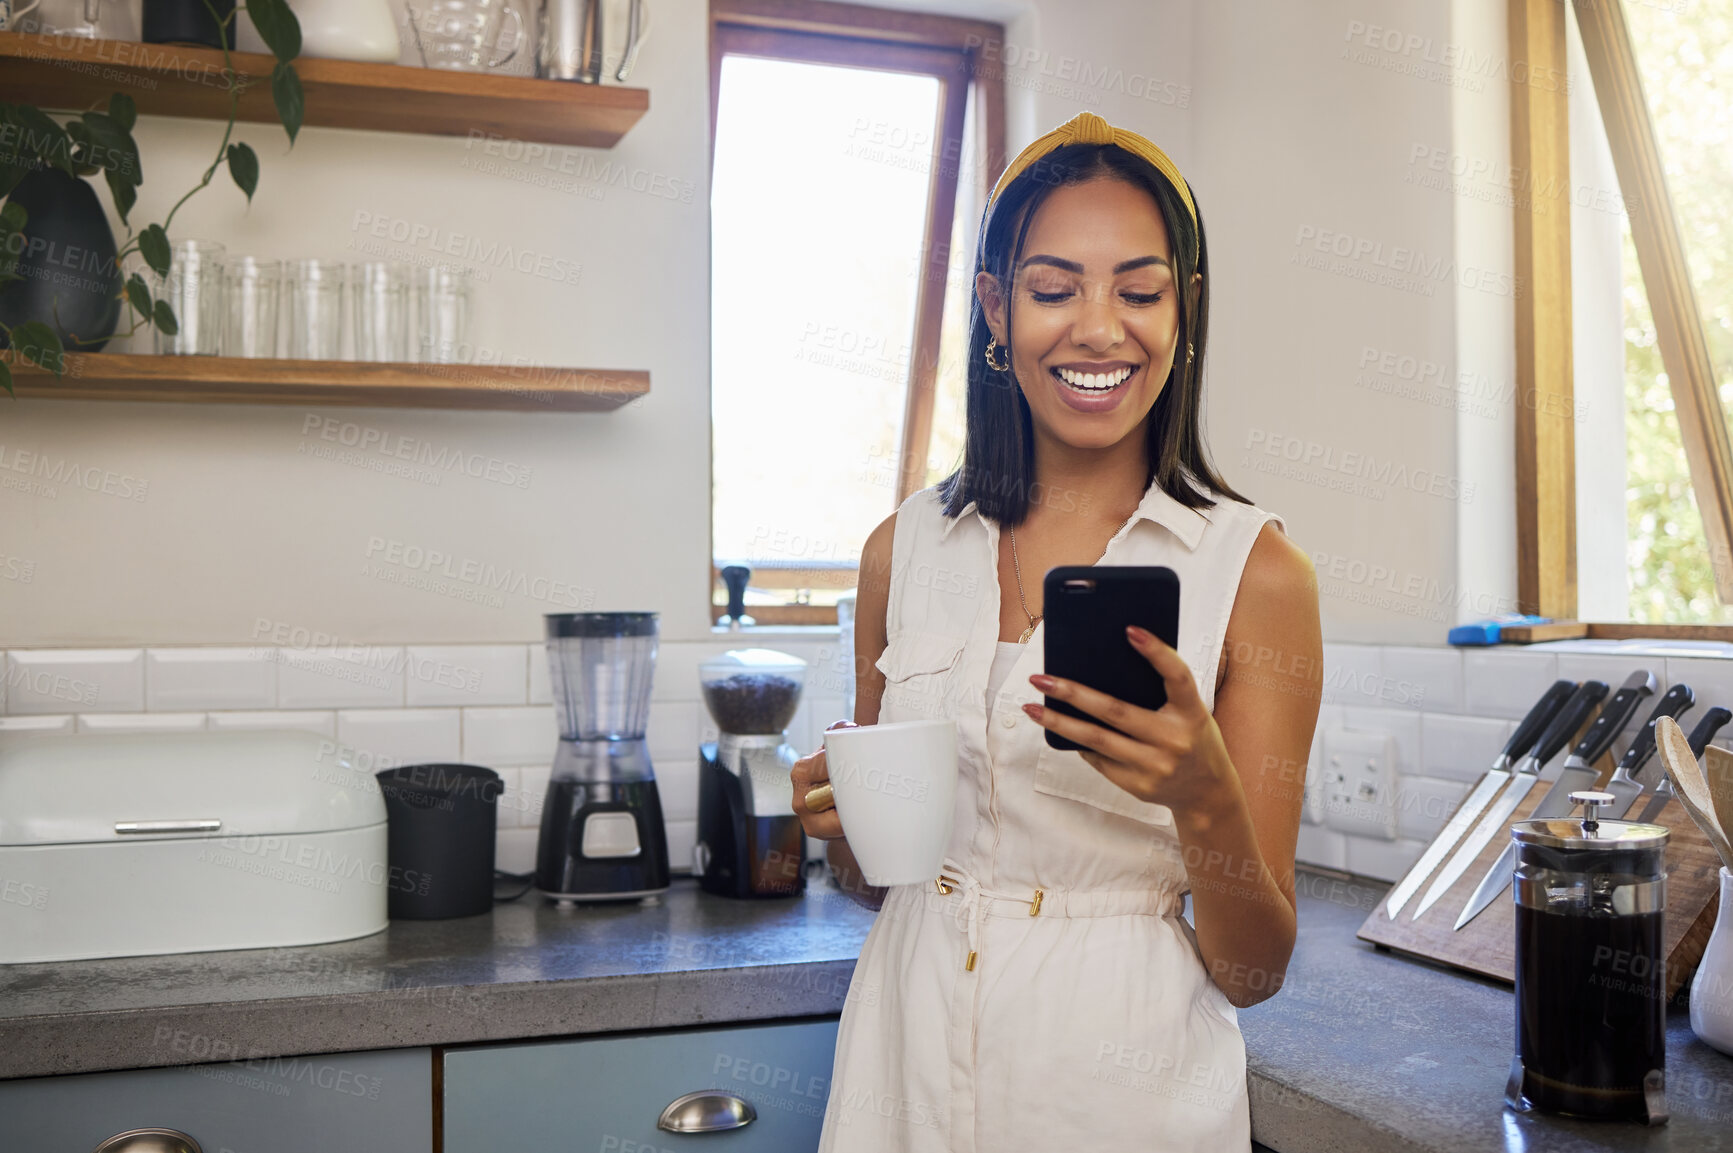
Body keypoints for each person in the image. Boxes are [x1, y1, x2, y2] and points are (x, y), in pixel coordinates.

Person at [791, 111, 1322, 1152]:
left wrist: (1204, 796)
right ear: (994, 307)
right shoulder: (900, 551)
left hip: (1117, 1092)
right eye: (1050, 290)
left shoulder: (1254, 573)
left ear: (1184, 311)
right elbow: (874, 883)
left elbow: (1252, 972)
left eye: (1136, 290)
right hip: (899, 1070)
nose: (1095, 329)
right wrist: (843, 834)